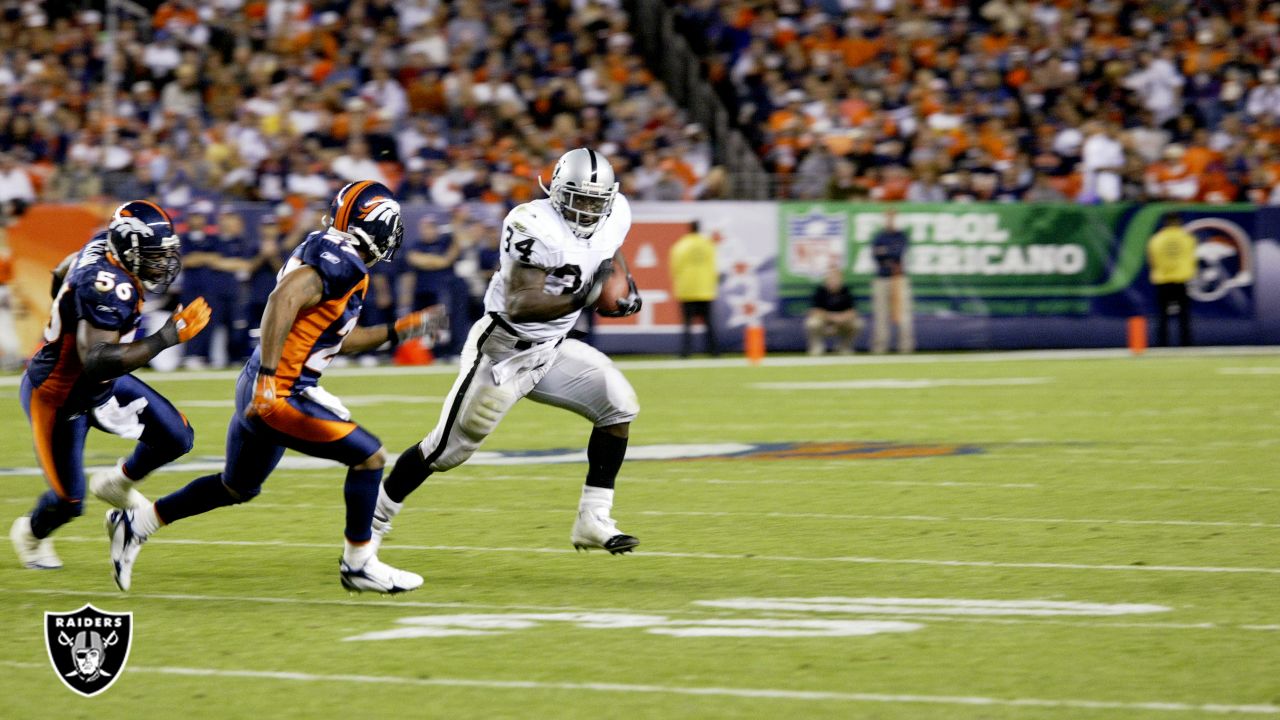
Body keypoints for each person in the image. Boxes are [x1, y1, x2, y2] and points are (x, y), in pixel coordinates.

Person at [103, 181, 442, 593]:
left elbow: (335, 339)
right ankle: (359, 564)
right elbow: (281, 299)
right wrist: (269, 378)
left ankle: (137, 522)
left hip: (262, 381)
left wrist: (401, 330)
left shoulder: (337, 254)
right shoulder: (343, 261)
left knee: (236, 485)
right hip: (278, 389)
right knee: (370, 458)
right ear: (374, 225)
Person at [375, 147, 644, 556]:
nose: (589, 209)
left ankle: (593, 518)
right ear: (556, 192)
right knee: (446, 450)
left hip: (551, 350)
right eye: (579, 199)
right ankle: (374, 516)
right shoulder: (531, 223)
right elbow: (522, 303)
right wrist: (588, 296)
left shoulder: (616, 212)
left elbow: (609, 251)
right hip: (502, 353)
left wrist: (622, 283)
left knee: (618, 405)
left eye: (596, 201)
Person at [9, 201, 211, 570]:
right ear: (129, 251)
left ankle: (117, 482)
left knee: (176, 437)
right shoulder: (105, 283)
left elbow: (61, 269)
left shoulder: (105, 246)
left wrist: (65, 311)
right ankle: (30, 534)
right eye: (153, 256)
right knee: (69, 501)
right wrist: (167, 336)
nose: (161, 264)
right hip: (60, 396)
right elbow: (96, 359)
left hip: (102, 384)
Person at [669, 220, 720, 357]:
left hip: (687, 289)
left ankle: (686, 352)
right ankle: (714, 351)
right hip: (705, 290)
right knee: (709, 323)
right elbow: (713, 265)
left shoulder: (681, 245)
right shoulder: (708, 245)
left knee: (687, 324)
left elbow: (675, 267)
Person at [1147, 214, 1197, 346]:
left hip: (1163, 280)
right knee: (1184, 316)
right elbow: (1191, 257)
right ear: (1178, 222)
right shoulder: (1187, 238)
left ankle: (1162, 343)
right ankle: (1186, 343)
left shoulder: (1157, 239)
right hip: (1181, 279)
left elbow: (1152, 259)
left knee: (1162, 315)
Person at [870, 208, 914, 354]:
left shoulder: (901, 236)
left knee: (903, 314)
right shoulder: (879, 236)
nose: (890, 221)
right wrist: (888, 254)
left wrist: (886, 253)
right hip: (882, 278)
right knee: (881, 315)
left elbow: (898, 253)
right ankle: (880, 347)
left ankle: (905, 347)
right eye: (887, 218)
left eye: (892, 218)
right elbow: (876, 255)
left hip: (899, 278)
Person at [806, 267, 862, 355]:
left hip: (842, 324)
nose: (833, 281)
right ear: (826, 279)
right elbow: (814, 311)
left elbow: (853, 312)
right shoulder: (820, 291)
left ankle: (844, 347)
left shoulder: (846, 291)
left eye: (836, 278)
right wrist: (832, 317)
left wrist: (841, 318)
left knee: (857, 323)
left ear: (841, 279)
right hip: (824, 323)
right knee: (812, 323)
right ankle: (817, 347)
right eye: (831, 278)